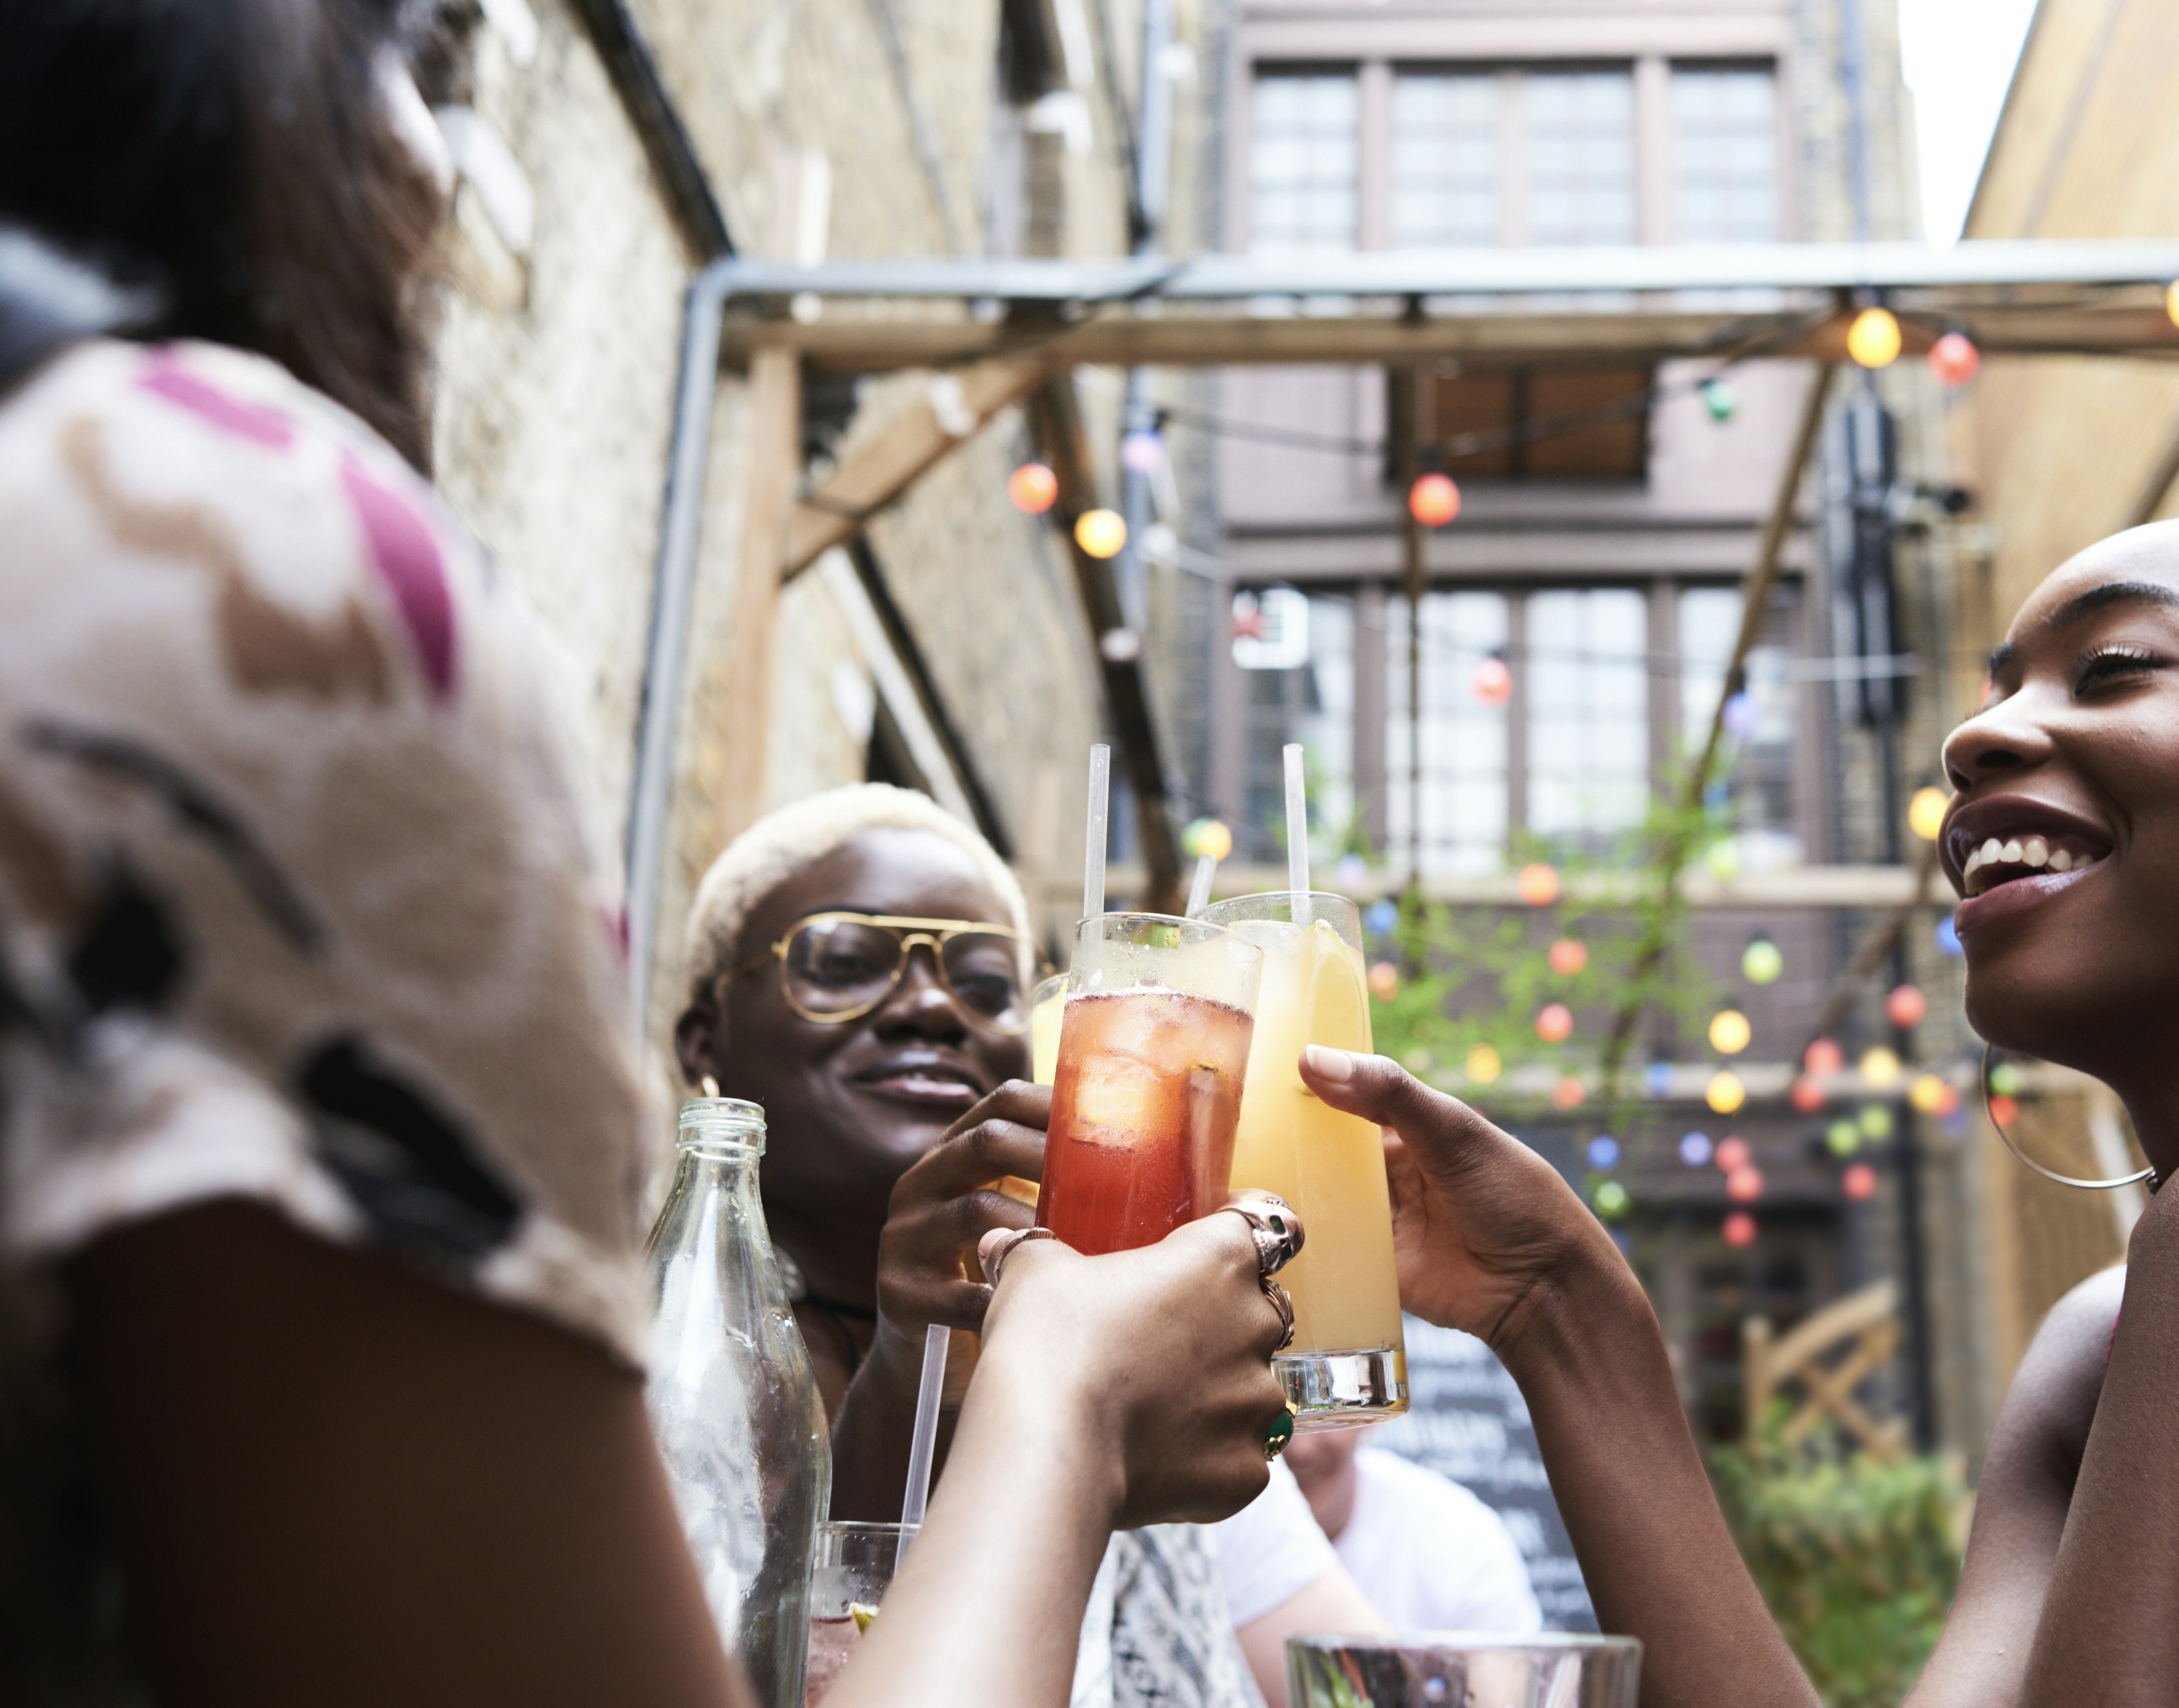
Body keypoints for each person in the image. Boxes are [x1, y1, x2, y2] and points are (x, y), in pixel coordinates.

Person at [0, 6, 1287, 1706]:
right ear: (688, 1045)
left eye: (985, 975)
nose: (441, 177)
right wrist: (1067, 1407)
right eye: (425, 58)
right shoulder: (237, 557)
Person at [1284, 508, 2179, 1708]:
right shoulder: (2101, 1354)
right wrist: (1558, 1299)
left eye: (2113, 664)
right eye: (2001, 683)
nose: (1975, 736)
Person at [674, 782, 1383, 1707]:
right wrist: (911, 1370)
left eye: (983, 983)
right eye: (844, 962)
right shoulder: (653, 1361)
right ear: (704, 1039)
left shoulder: (1150, 1350)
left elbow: (1370, 1689)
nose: (931, 1006)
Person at [1279, 1426, 1542, 1633]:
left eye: (1325, 1404)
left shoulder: (1463, 1538)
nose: (1301, 1449)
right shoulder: (1239, 1533)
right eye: (1273, 1413)